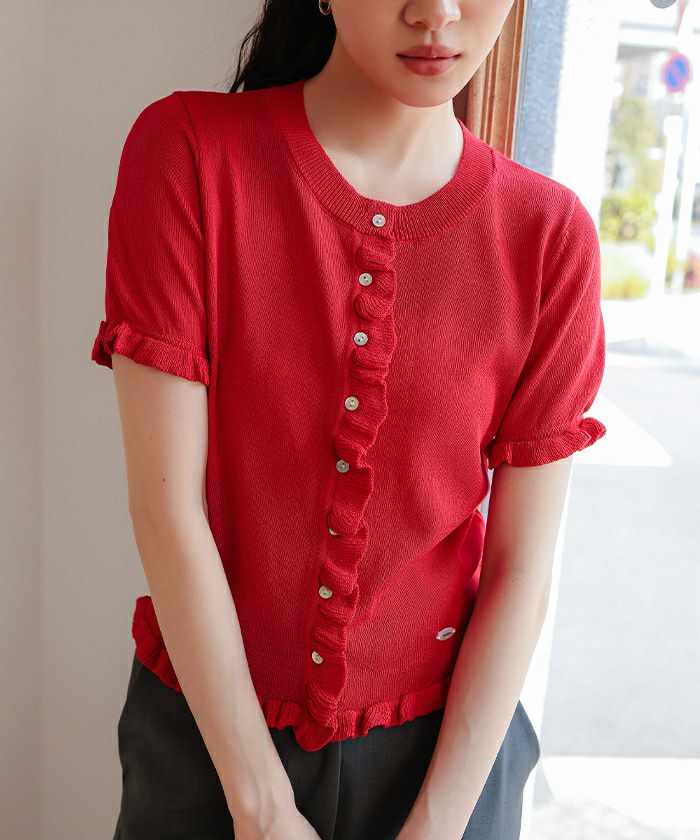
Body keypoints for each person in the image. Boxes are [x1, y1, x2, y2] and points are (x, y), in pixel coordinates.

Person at [91, 1, 607, 838]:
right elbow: (166, 508)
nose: (436, 13)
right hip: (209, 744)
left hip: (451, 764)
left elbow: (521, 567)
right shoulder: (190, 153)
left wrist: (436, 825)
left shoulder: (548, 237)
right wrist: (260, 806)